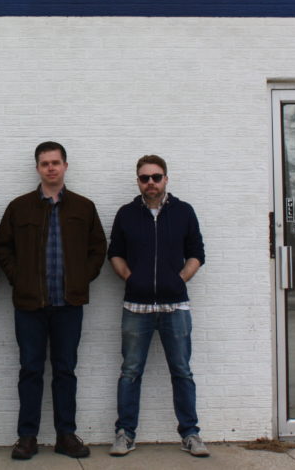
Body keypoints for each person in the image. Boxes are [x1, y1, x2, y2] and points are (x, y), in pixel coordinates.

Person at [0, 141, 106, 460]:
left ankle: (65, 435)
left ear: (65, 166)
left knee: (65, 370)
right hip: (29, 306)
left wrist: (81, 279)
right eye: (45, 163)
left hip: (68, 305)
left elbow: (98, 248)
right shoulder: (19, 207)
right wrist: (19, 278)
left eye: (56, 162)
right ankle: (27, 437)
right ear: (38, 168)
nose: (51, 168)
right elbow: (2, 247)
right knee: (30, 370)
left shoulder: (84, 207)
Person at [107, 155, 209, 457]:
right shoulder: (126, 214)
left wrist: (180, 279)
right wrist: (131, 278)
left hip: (175, 307)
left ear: (166, 179)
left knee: (182, 372)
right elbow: (115, 253)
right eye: (144, 178)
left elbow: (197, 252)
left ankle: (190, 434)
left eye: (156, 177)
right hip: (136, 307)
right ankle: (125, 434)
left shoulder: (184, 212)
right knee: (130, 372)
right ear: (138, 181)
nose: (150, 182)